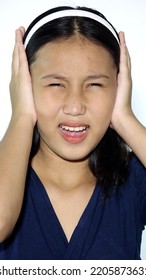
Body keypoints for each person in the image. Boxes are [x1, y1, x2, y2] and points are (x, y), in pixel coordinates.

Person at [0, 5, 146, 260]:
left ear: (120, 85)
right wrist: (21, 116)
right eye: (56, 84)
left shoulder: (134, 179)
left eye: (95, 84)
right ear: (25, 85)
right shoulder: (7, 181)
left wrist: (125, 119)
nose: (75, 106)